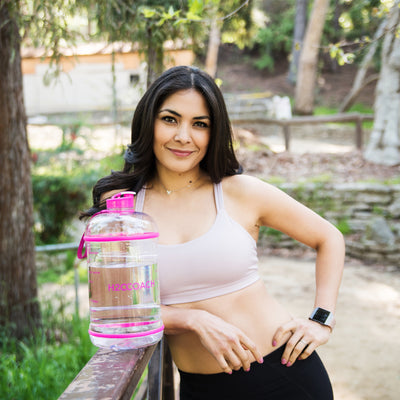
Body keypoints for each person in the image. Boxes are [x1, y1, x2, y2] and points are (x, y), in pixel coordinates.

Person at [82, 65, 345, 399]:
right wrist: (193, 320)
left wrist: (320, 320)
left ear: (214, 132)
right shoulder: (124, 207)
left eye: (200, 124)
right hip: (202, 388)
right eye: (170, 119)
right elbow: (117, 308)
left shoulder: (240, 191)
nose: (183, 136)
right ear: (149, 121)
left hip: (286, 374)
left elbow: (329, 237)